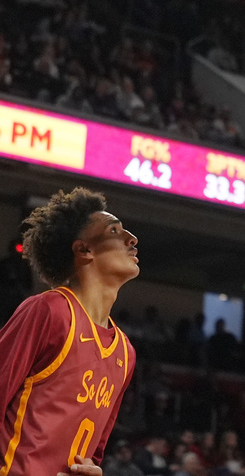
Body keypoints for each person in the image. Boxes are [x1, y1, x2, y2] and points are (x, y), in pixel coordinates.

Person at [0, 187, 140, 476]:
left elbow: (93, 457)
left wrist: (91, 471)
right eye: (115, 231)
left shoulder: (125, 353)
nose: (132, 239)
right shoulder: (50, 311)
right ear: (84, 249)